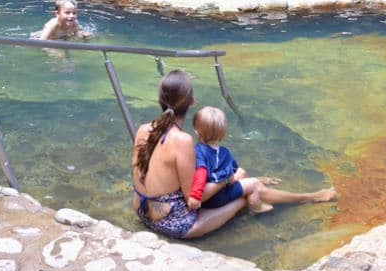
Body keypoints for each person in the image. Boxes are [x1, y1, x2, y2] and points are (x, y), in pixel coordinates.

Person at [131, 70, 336, 240]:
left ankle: (261, 190)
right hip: (175, 225)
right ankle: (310, 197)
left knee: (242, 181)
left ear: (160, 99)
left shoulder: (143, 129)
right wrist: (228, 178)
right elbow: (196, 197)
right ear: (192, 101)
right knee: (250, 187)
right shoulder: (182, 140)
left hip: (143, 213)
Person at [187, 106, 271, 214]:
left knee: (239, 174)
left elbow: (201, 172)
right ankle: (257, 207)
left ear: (197, 133)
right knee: (250, 184)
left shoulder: (197, 150)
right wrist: (195, 196)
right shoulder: (224, 152)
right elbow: (230, 175)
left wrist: (195, 195)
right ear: (222, 134)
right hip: (218, 198)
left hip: (206, 199)